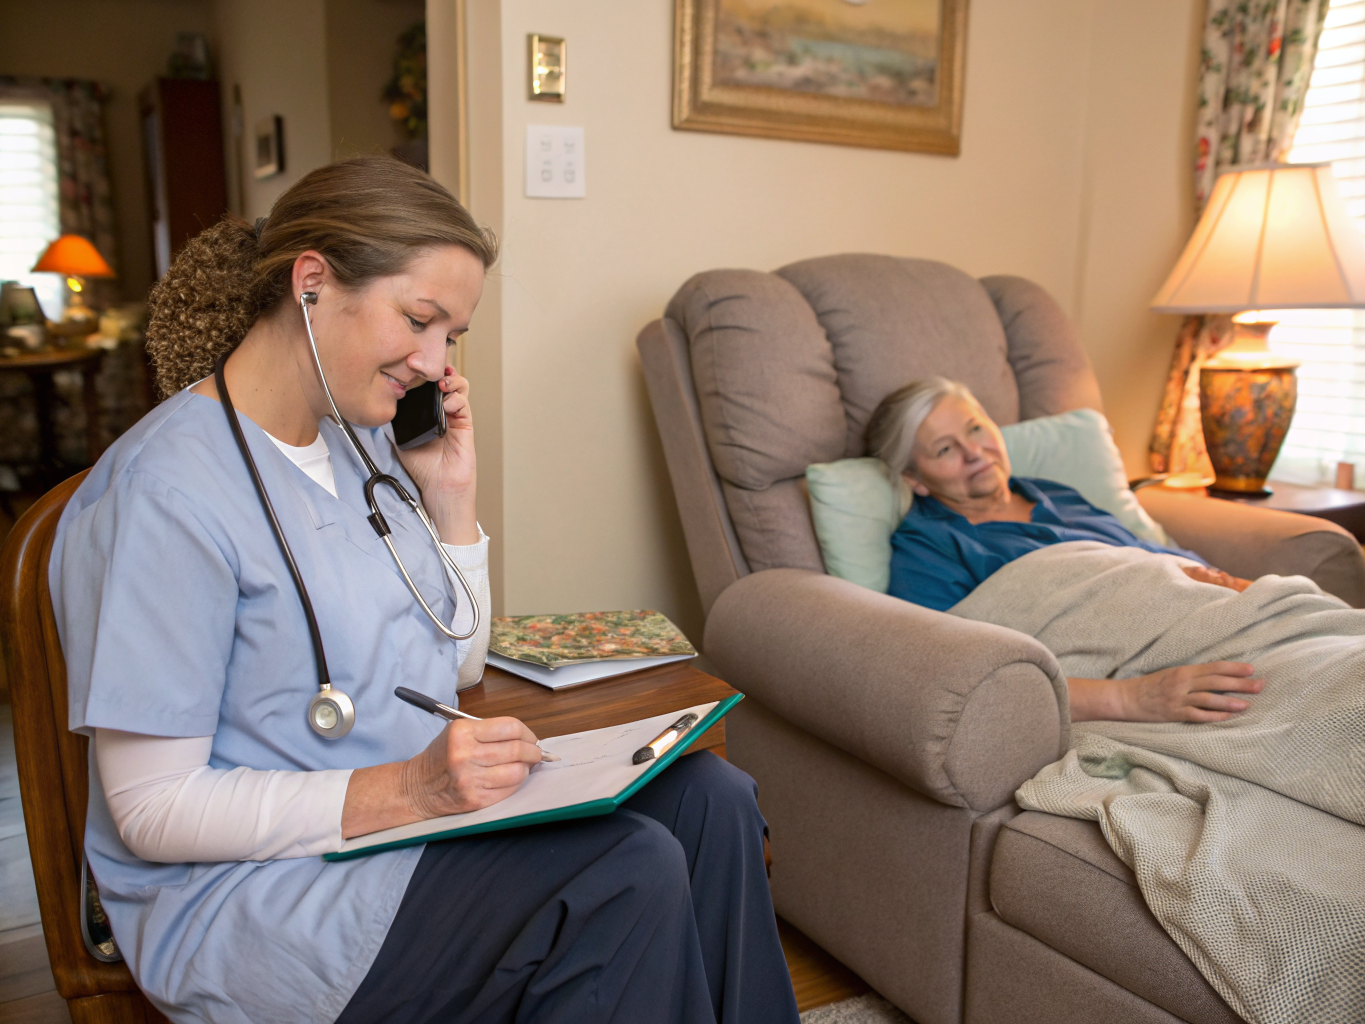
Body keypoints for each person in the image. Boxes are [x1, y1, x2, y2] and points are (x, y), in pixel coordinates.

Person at [51, 156, 799, 1024]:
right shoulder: (164, 495)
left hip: (406, 821)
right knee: (620, 873)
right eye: (419, 319)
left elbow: (456, 669)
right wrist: (406, 791)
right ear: (311, 282)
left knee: (709, 802)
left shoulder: (360, 444)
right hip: (253, 894)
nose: (433, 360)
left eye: (452, 336)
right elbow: (151, 809)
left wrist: (449, 501)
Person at [865, 376, 1264, 726]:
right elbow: (953, 677)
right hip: (1153, 674)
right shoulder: (926, 551)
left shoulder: (1053, 492)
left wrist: (1247, 590)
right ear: (914, 479)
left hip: (1224, 621)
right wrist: (1134, 697)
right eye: (945, 450)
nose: (974, 452)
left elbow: (1152, 562)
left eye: (975, 429)